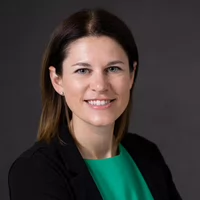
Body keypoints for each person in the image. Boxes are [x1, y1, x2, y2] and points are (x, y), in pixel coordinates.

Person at [8, 8, 182, 200]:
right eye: (83, 70)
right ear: (57, 80)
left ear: (131, 75)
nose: (100, 85)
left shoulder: (147, 154)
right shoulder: (35, 171)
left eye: (113, 68)